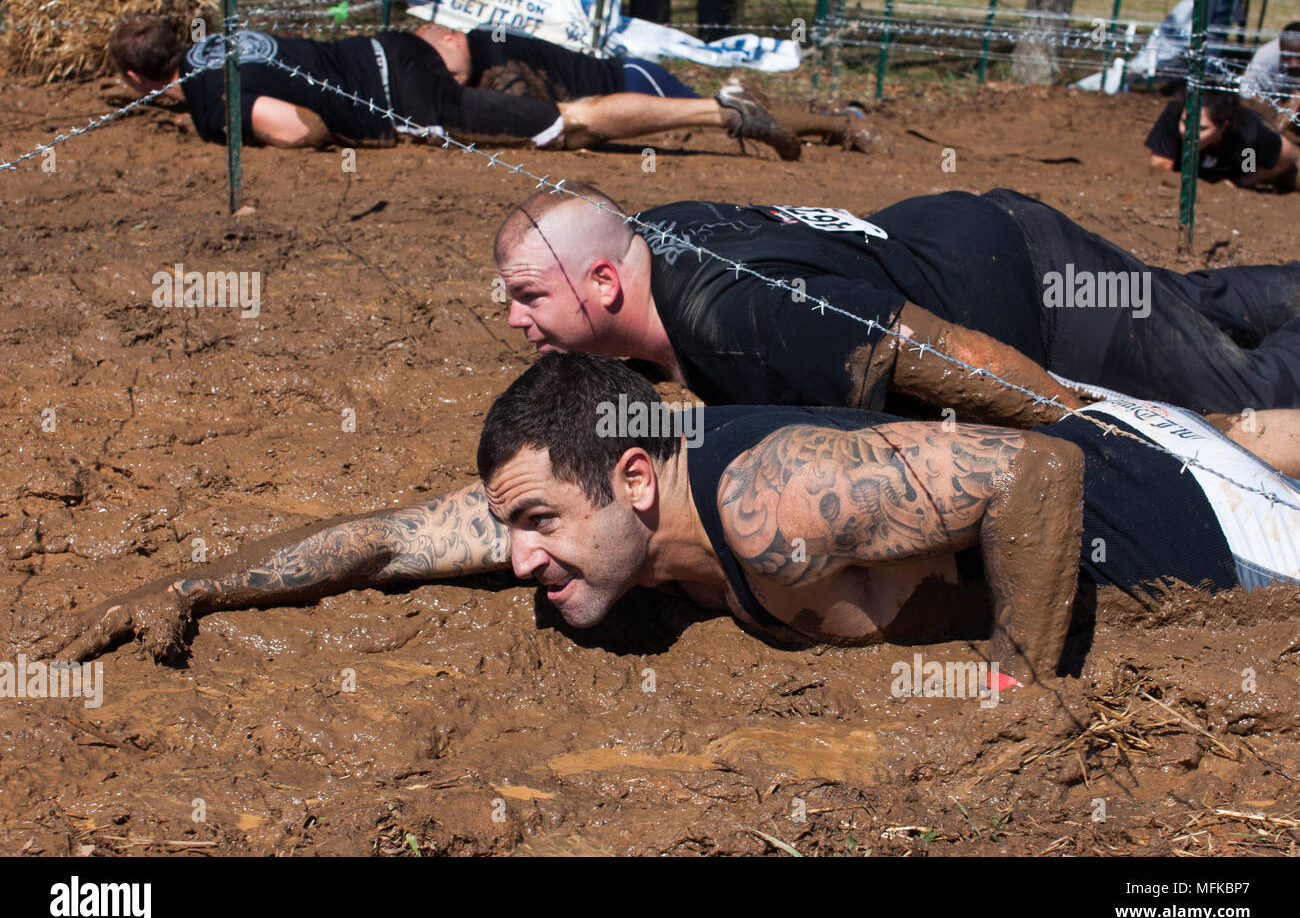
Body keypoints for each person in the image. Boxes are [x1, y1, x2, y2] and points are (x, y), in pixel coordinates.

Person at [37, 354, 1300, 686]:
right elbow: (380, 538)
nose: (517, 557)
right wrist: (192, 583)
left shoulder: (778, 499)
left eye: (532, 521)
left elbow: (1031, 477)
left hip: (1194, 524)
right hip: (1155, 450)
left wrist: (1023, 693)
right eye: (508, 524)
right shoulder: (585, 501)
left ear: (634, 479)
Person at [494, 184, 1300, 419]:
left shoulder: (738, 319)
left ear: (604, 284)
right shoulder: (652, 234)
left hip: (1030, 291)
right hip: (957, 231)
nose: (513, 320)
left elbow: (958, 357)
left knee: (1245, 396)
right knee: (1186, 306)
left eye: (529, 296)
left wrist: (1100, 436)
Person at [106, 12, 801, 158]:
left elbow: (299, 127)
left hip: (409, 103)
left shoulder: (205, 97)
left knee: (565, 123)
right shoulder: (223, 36)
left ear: (140, 77)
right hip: (392, 48)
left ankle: (720, 112)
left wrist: (304, 138)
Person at [416, 23, 874, 152]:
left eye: (438, 62)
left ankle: (839, 123)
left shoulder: (492, 50)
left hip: (630, 81)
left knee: (728, 111)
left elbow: (525, 113)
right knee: (725, 112)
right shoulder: (482, 51)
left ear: (452, 37)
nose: (440, 76)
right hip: (615, 93)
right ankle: (834, 120)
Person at [1145, 89, 1300, 190]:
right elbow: (1160, 166)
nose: (1189, 133)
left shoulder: (1248, 140)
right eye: (1185, 123)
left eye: (1202, 129)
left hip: (1252, 160)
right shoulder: (1174, 114)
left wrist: (1240, 183)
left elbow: (1286, 155)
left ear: (1223, 127)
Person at [1239, 22, 1300, 143]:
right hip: (1261, 100)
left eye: (1299, 57)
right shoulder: (1265, 58)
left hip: (1289, 98)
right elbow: (1246, 95)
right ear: (1280, 48)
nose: (1294, 63)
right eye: (1287, 57)